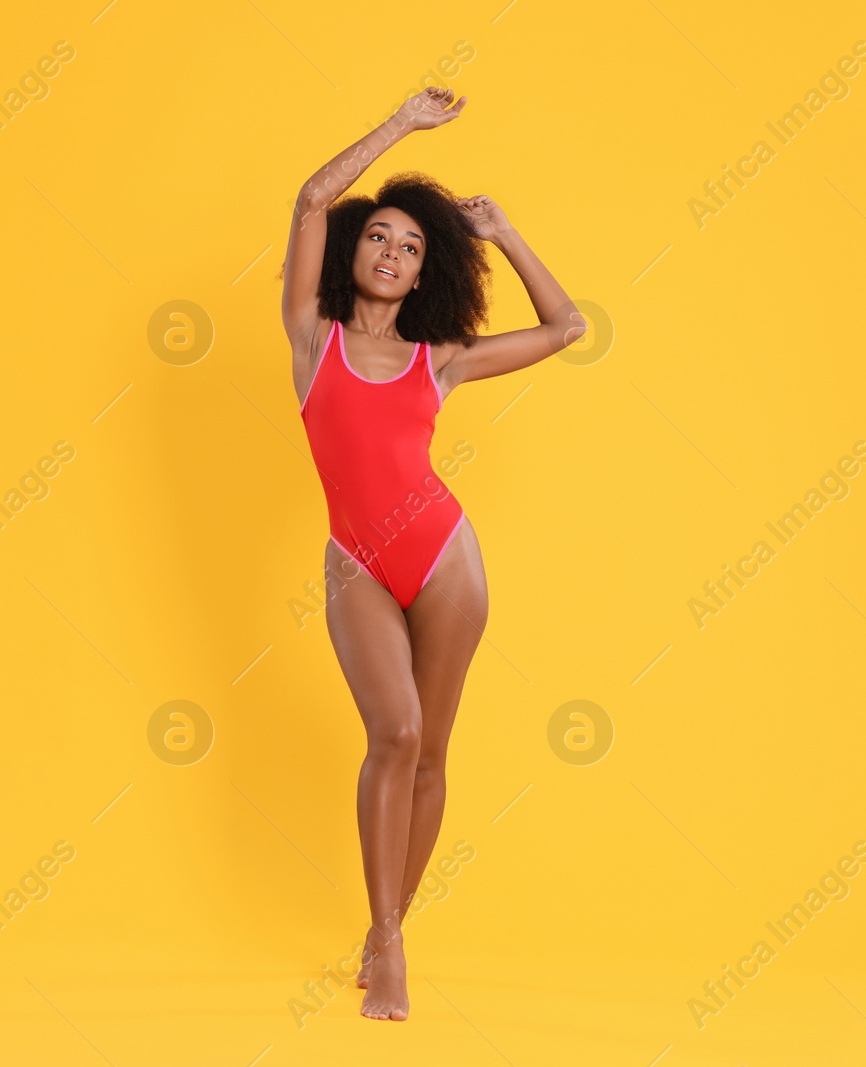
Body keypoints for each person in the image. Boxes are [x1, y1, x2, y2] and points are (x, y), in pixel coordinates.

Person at [279, 85, 587, 1021]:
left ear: (424, 276)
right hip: (355, 563)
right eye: (382, 237)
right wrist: (402, 127)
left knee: (432, 751)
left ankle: (382, 932)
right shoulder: (311, 337)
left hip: (445, 556)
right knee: (395, 731)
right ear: (357, 248)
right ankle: (394, 944)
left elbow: (566, 326)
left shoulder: (438, 358)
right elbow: (308, 200)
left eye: (413, 248)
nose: (393, 252)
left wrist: (503, 232)